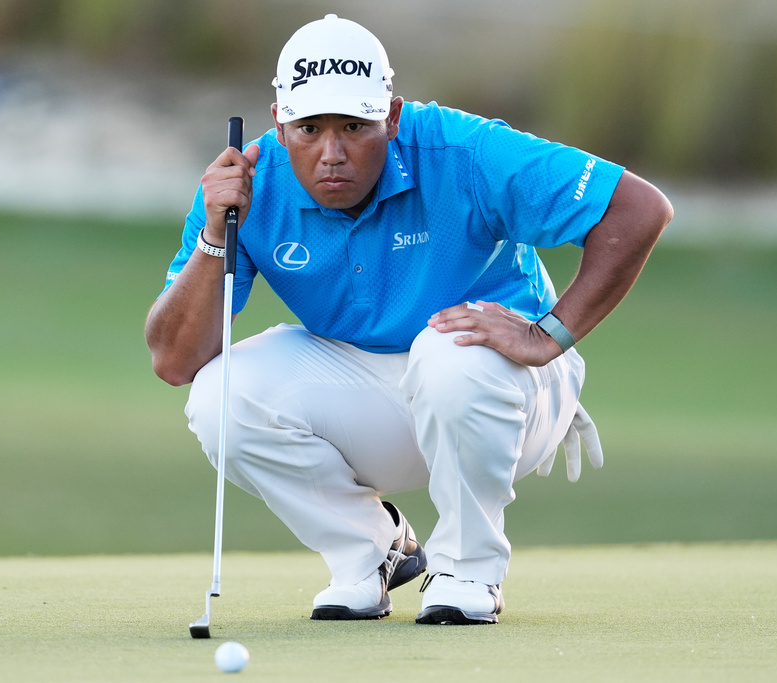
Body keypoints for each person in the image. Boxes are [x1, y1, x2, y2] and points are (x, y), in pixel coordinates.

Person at [145, 14, 672, 625]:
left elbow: (639, 209)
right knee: (220, 394)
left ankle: (469, 569)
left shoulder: (462, 149)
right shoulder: (242, 187)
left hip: (504, 390)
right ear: (279, 123)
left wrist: (548, 333)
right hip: (373, 392)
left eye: (356, 127)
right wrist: (215, 236)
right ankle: (370, 554)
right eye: (309, 129)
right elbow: (174, 361)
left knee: (451, 351)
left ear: (392, 118)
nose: (332, 153)